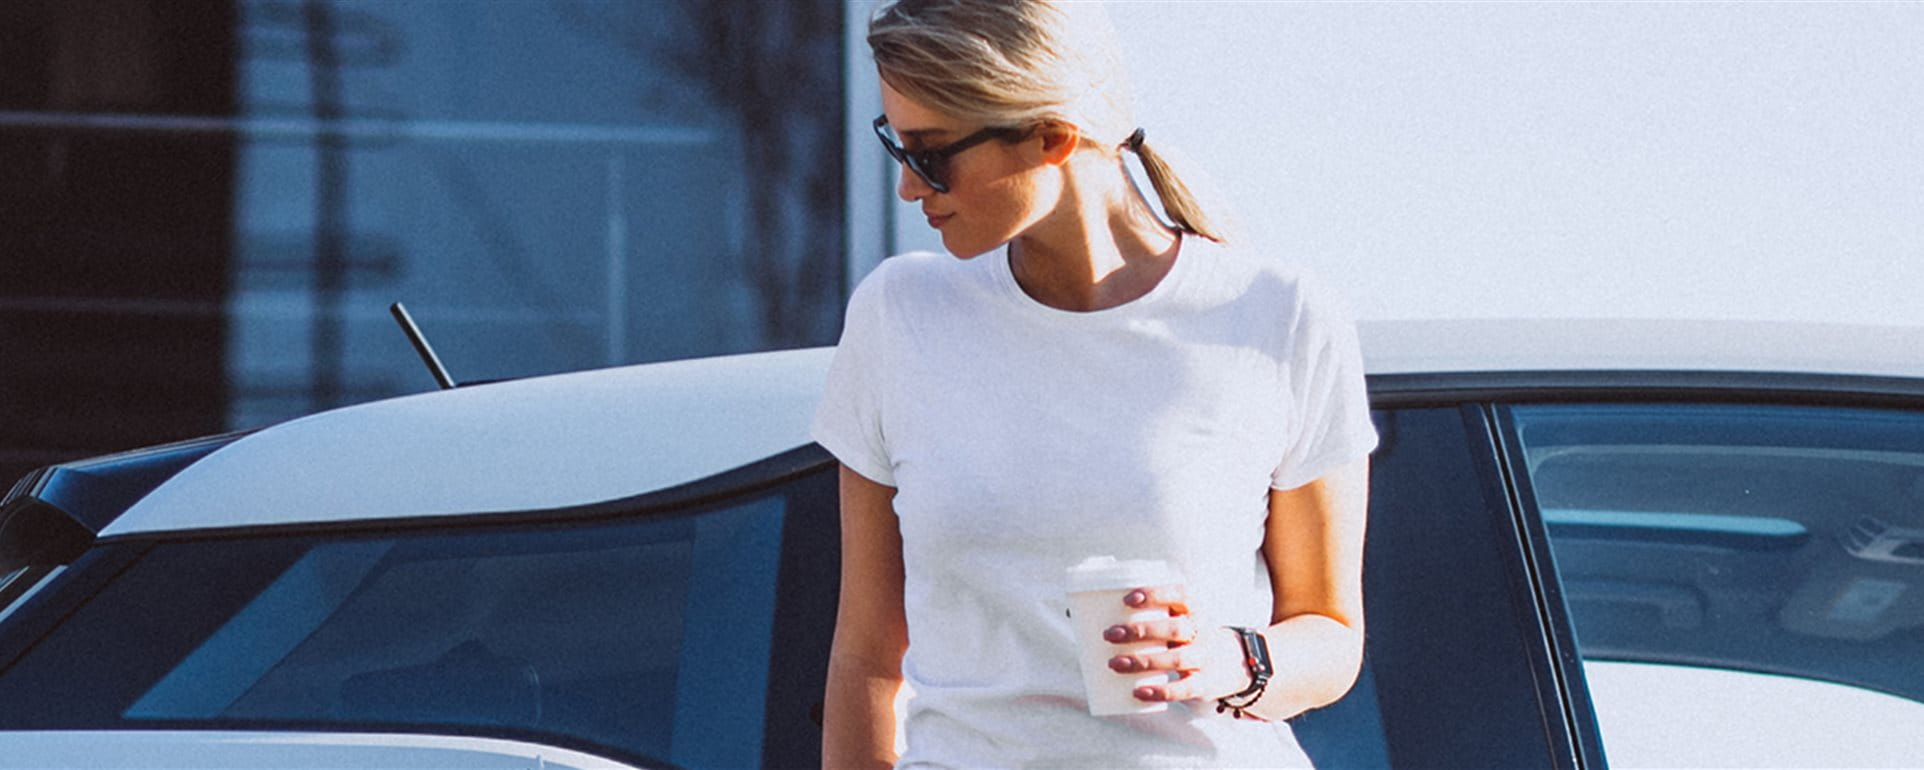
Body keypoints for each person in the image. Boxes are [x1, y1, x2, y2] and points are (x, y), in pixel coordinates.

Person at [813, 1, 1377, 767]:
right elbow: (867, 659)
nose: (912, 189)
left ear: (1054, 136)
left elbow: (1331, 635)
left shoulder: (1278, 317)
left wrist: (1226, 660)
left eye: (933, 153)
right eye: (896, 146)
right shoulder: (898, 315)